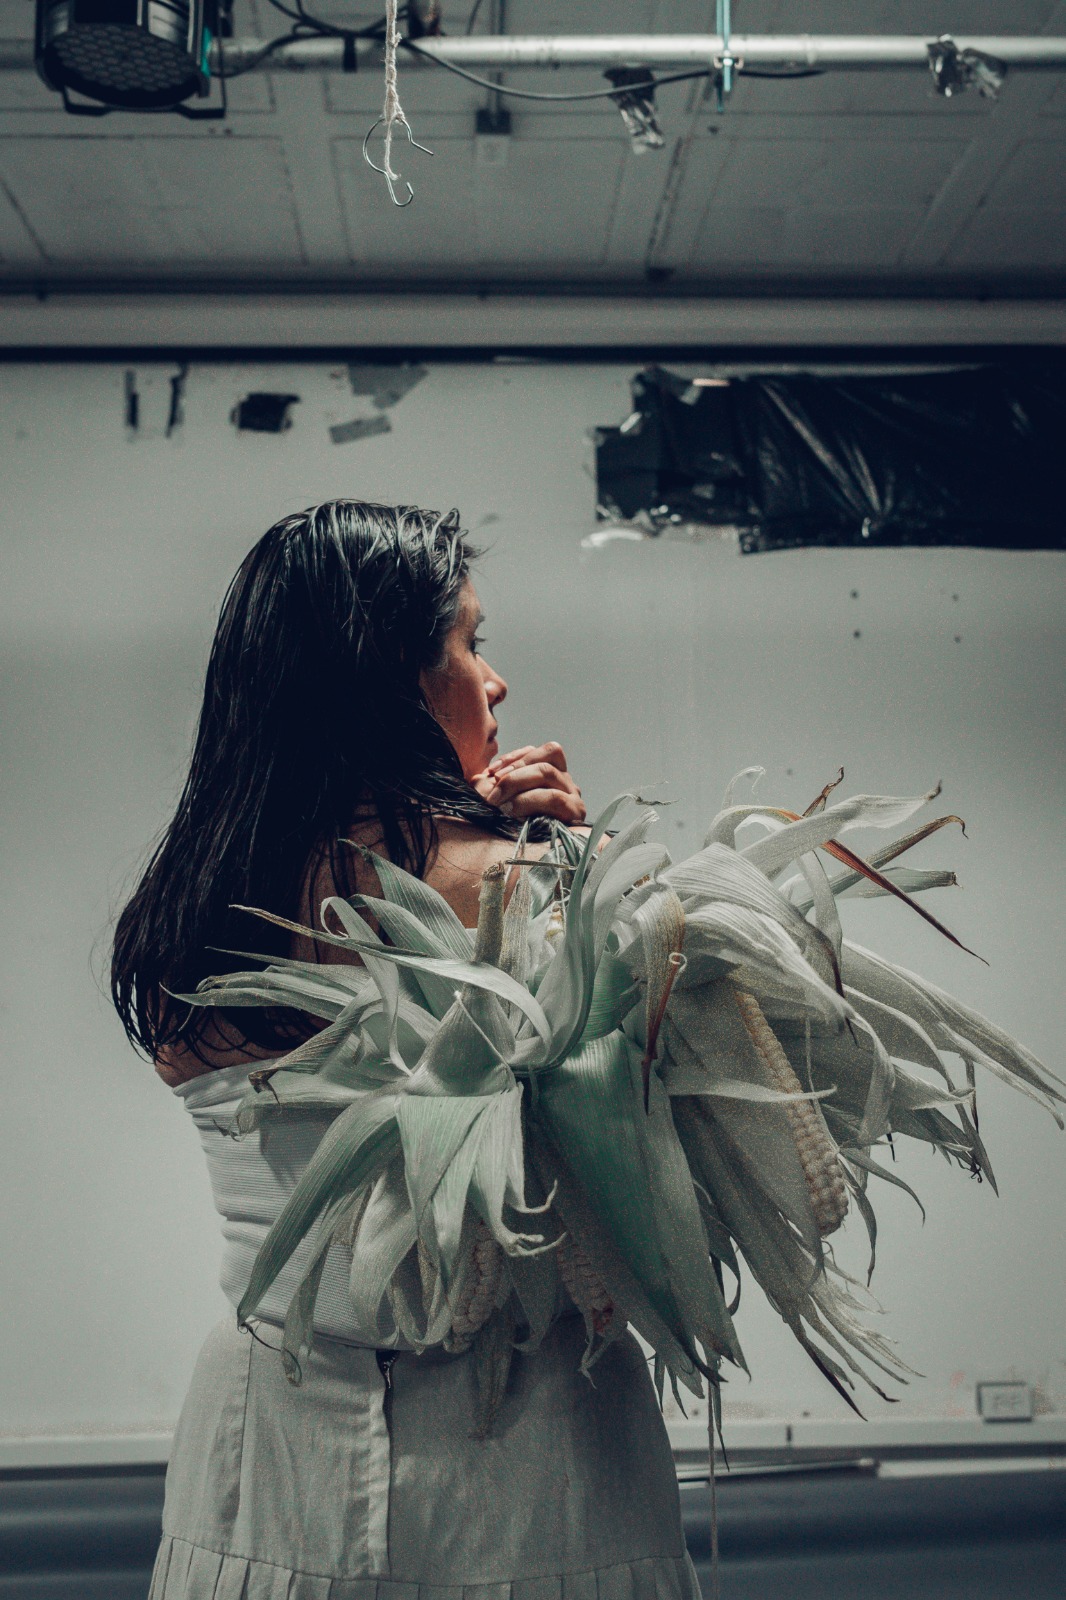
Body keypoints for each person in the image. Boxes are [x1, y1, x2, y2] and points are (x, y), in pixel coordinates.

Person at [111, 501, 702, 1600]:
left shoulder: (185, 914)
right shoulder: (529, 885)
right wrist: (568, 860)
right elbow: (659, 1159)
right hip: (538, 1459)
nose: (495, 680)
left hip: (264, 1451)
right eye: (470, 642)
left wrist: (455, 828)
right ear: (393, 679)